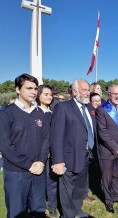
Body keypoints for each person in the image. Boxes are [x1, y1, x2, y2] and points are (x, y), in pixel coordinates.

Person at [0, 73, 49, 218]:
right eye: (29, 88)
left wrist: (41, 161)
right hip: (16, 174)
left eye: (35, 88)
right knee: (17, 212)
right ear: (17, 89)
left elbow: (46, 139)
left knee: (39, 210)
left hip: (38, 172)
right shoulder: (6, 114)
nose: (33, 92)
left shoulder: (39, 112)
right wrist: (29, 165)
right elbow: (5, 146)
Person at [50, 79, 96, 218]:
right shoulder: (63, 107)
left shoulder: (88, 108)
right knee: (67, 189)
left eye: (88, 90)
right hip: (69, 157)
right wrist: (58, 160)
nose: (87, 93)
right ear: (75, 92)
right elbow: (56, 135)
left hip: (86, 155)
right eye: (84, 90)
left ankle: (77, 210)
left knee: (80, 187)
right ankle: (67, 214)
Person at [96, 84, 118, 213]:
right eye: (114, 93)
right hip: (108, 150)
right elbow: (102, 132)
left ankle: (116, 196)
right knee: (107, 177)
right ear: (109, 94)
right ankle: (108, 201)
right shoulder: (102, 110)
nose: (117, 96)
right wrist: (116, 147)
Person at [36, 85, 58, 217]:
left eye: (50, 94)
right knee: (41, 182)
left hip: (54, 153)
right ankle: (41, 206)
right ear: (38, 96)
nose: (49, 97)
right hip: (41, 154)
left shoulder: (53, 112)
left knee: (52, 182)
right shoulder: (37, 113)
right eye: (46, 94)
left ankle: (52, 205)